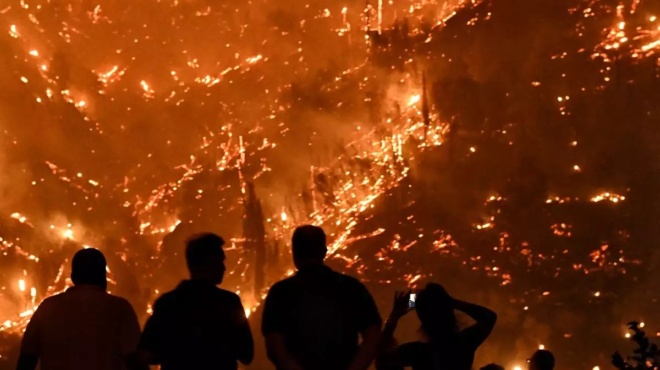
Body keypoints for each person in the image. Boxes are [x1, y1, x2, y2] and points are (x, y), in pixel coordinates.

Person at [261, 225, 382, 370]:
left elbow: (275, 347)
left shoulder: (280, 293)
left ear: (294, 253)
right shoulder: (352, 288)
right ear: (324, 252)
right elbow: (373, 337)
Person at [139, 233, 253, 370]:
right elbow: (247, 354)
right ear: (208, 263)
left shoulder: (168, 303)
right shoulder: (229, 303)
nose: (224, 268)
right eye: (220, 261)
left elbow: (148, 354)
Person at [17, 248, 144, 370]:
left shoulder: (48, 307)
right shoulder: (120, 308)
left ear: (73, 277)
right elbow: (134, 359)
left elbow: (27, 357)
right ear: (103, 276)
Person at [377, 283, 497, 370]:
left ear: (423, 321)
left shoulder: (417, 352)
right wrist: (452, 301)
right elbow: (489, 317)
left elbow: (381, 357)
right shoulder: (463, 344)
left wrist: (395, 315)